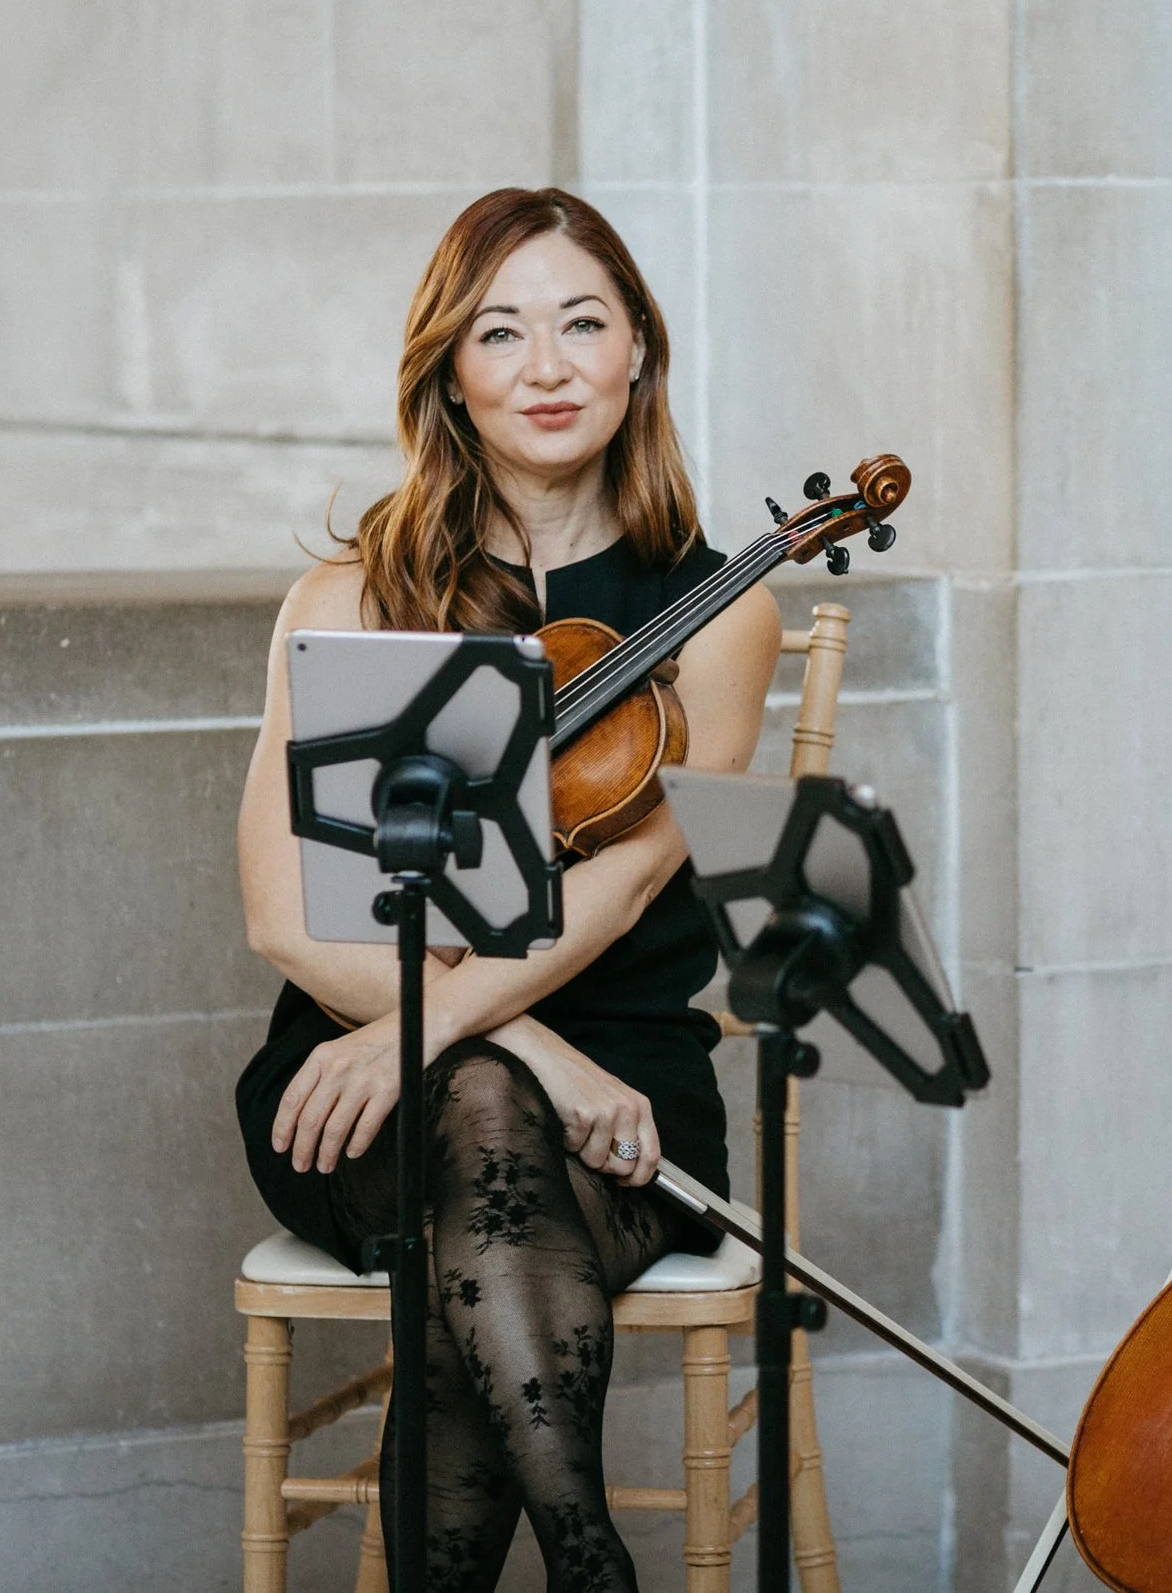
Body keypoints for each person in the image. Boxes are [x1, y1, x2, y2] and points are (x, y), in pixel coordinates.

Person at [234, 187, 781, 1592]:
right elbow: (279, 915)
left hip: (633, 1099)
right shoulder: (355, 596)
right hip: (365, 1080)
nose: (547, 366)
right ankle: (593, 1563)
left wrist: (491, 1048)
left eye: (583, 323)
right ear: (449, 372)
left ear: (640, 350)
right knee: (484, 1108)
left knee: (468, 1239)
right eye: (502, 331)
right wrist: (518, 1042)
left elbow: (618, 893)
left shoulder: (718, 611)